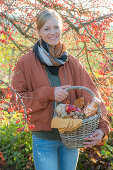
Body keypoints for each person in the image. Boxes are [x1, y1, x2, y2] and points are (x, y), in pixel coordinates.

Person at [11, 9, 110, 170]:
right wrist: (49, 93)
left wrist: (102, 128)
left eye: (56, 27)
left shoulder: (72, 62)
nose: (53, 33)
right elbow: (16, 100)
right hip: (44, 140)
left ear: (61, 28)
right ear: (39, 32)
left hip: (72, 138)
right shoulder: (25, 63)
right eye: (47, 28)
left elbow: (93, 96)